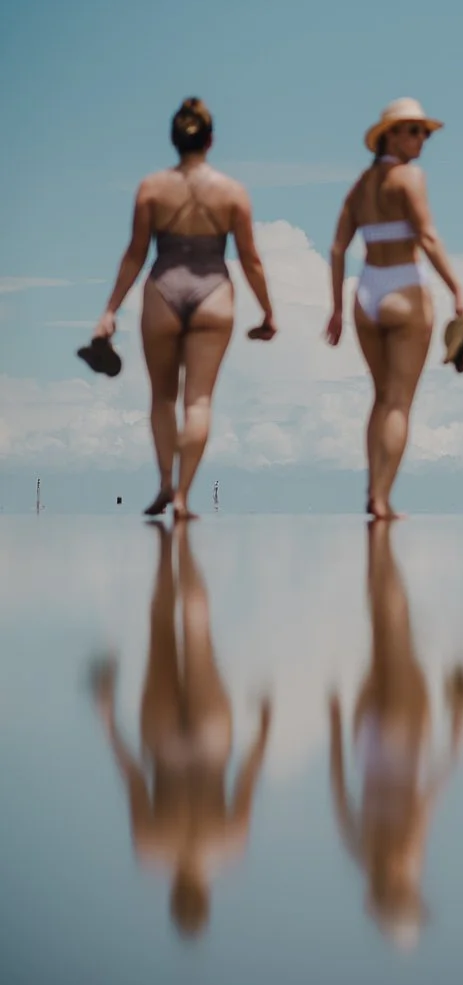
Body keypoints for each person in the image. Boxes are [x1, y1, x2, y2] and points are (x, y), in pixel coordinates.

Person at [89, 98, 275, 519]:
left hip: (163, 290)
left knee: (162, 399)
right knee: (199, 402)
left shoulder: (152, 188)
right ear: (211, 141)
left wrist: (110, 310)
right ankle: (183, 497)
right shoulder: (232, 192)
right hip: (214, 292)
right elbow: (250, 259)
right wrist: (268, 312)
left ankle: (164, 484)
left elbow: (135, 254)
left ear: (174, 141)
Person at [91, 522, 272, 940]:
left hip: (211, 742)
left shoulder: (230, 846)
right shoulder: (151, 850)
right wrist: (106, 716)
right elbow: (133, 775)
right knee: (161, 625)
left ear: (206, 896)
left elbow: (248, 776)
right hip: (164, 743)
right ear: (175, 895)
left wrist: (263, 729)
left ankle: (181, 542)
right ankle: (172, 544)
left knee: (197, 630)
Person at [325, 98, 463, 520]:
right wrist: (457, 289)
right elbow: (427, 238)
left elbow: (338, 248)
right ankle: (381, 498)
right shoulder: (410, 178)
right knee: (398, 403)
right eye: (412, 131)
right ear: (388, 135)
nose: (420, 139)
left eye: (423, 132)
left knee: (380, 399)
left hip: (366, 293)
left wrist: (336, 308)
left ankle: (373, 489)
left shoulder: (359, 185)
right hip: (405, 288)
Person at [329, 521, 463, 949]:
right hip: (370, 743)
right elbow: (340, 789)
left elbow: (429, 792)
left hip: (402, 742)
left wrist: (456, 733)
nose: (415, 887)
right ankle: (383, 562)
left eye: (409, 897)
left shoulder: (395, 855)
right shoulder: (364, 855)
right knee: (387, 640)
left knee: (393, 637)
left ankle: (384, 557)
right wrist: (336, 726)